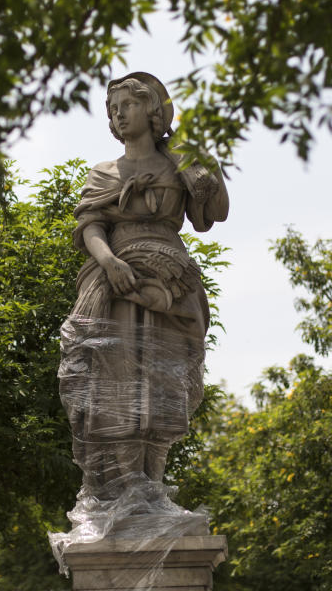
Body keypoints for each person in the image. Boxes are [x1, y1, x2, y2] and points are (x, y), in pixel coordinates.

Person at [58, 72, 229, 501]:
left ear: (152, 110)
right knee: (115, 382)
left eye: (127, 104)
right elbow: (90, 225)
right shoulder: (104, 172)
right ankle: (125, 486)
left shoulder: (178, 162)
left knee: (163, 384)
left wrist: (201, 161)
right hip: (116, 282)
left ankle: (153, 486)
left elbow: (216, 212)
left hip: (171, 284)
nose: (118, 113)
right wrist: (111, 262)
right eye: (113, 108)